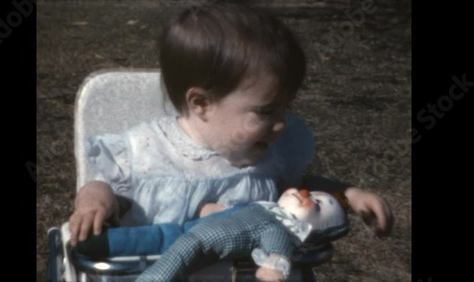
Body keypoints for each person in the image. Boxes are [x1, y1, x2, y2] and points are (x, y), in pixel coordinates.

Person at [68, 2, 393, 253]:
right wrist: (94, 202)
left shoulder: (272, 152)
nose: (281, 123)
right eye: (266, 111)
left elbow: (302, 189)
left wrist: (348, 196)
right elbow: (104, 183)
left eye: (286, 107)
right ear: (201, 104)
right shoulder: (145, 150)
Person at [75, 188, 350, 282]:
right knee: (153, 236)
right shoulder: (266, 206)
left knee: (172, 254)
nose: (305, 194)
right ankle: (102, 242)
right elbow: (230, 211)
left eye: (319, 203)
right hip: (186, 228)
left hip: (200, 244)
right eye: (311, 192)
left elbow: (275, 250)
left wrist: (273, 267)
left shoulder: (278, 228)